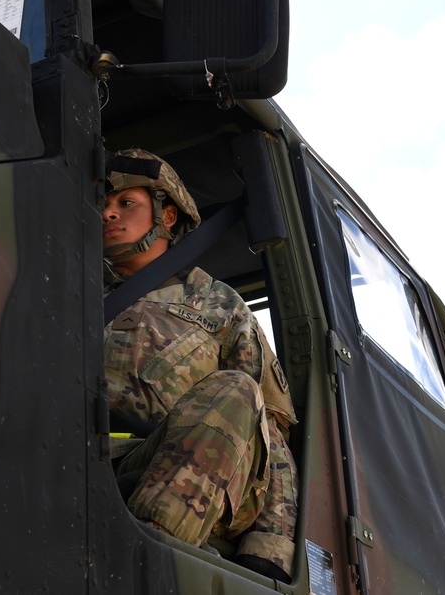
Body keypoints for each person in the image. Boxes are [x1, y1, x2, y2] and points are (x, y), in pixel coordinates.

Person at [102, 148, 299, 582]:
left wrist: (269, 549)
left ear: (166, 217)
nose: (108, 214)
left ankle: (145, 568)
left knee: (236, 390)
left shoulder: (219, 304)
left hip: (183, 473)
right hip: (81, 464)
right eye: (102, 205)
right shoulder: (68, 288)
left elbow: (273, 433)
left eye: (125, 203)